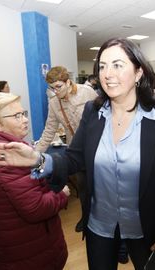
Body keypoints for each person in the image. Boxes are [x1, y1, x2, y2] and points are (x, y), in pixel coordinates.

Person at [0, 37, 155, 270]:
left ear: (138, 72)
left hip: (145, 226)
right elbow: (74, 157)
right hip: (100, 224)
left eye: (117, 65)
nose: (107, 74)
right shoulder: (94, 111)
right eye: (102, 66)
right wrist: (38, 159)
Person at [0, 93, 70, 269]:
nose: (24, 120)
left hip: (9, 240)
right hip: (24, 249)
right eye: (17, 116)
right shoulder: (6, 156)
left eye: (23, 113)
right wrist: (62, 195)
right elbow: (36, 208)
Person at [35, 65, 97, 232]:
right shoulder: (54, 103)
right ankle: (86, 217)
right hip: (76, 152)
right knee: (83, 188)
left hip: (97, 148)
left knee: (101, 186)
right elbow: (49, 131)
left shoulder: (87, 92)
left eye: (58, 87)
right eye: (51, 88)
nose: (55, 91)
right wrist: (34, 155)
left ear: (68, 82)